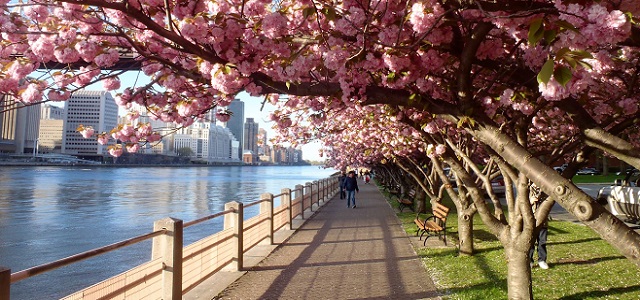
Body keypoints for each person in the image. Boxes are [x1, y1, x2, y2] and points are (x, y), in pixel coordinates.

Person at [529, 182, 549, 270]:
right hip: (531, 221)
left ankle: (542, 260)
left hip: (542, 221)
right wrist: (531, 201)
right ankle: (529, 261)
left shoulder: (545, 189)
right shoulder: (528, 189)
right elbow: (521, 204)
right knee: (530, 242)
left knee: (542, 242)